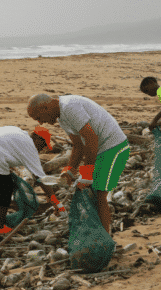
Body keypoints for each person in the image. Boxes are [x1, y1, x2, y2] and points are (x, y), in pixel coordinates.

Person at [27, 94, 130, 235]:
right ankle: (99, 232)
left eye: (39, 117)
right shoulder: (62, 117)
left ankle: (105, 237)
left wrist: (86, 173)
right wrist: (70, 170)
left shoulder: (69, 107)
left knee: (100, 193)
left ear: (46, 107)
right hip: (102, 150)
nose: (41, 122)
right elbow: (78, 146)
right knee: (93, 191)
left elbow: (91, 139)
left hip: (114, 147)